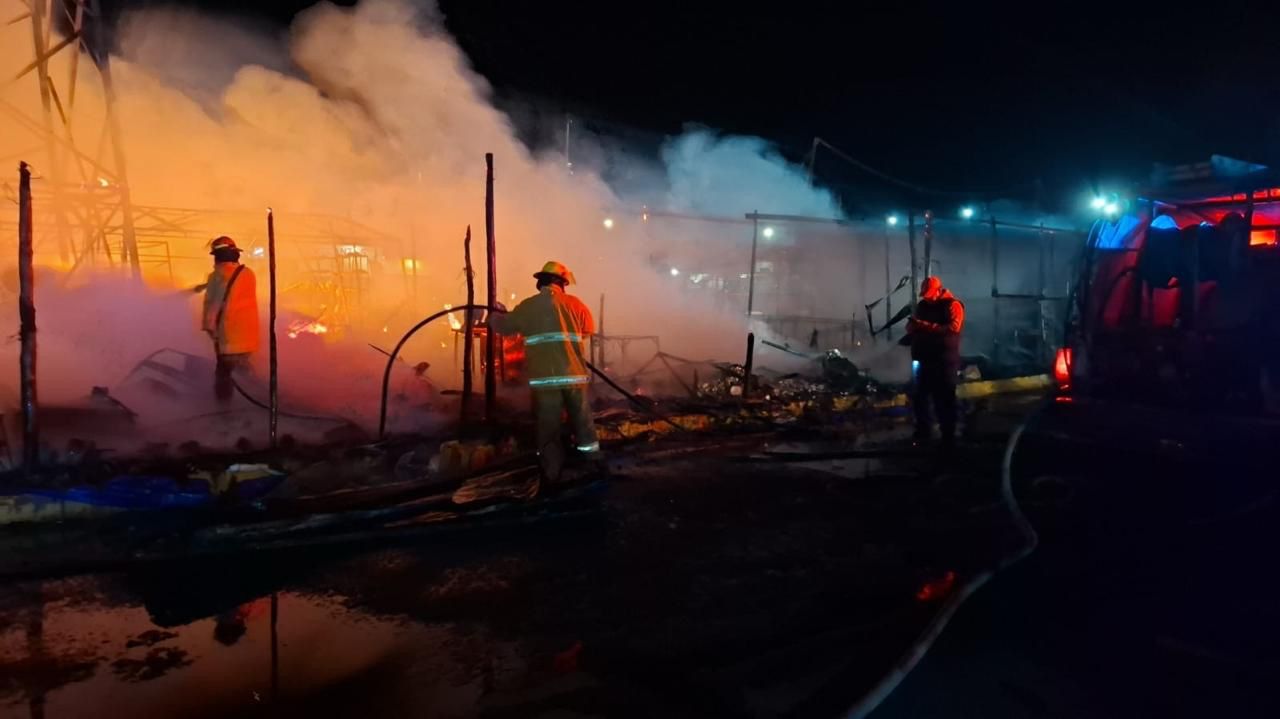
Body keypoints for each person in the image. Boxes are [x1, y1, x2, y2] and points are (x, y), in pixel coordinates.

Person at [489, 261, 600, 482]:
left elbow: (504, 327)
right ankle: (592, 464)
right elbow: (588, 329)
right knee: (583, 422)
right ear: (562, 283)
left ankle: (552, 472)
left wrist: (493, 316)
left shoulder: (528, 306)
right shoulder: (576, 304)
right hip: (574, 376)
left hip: (545, 380)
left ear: (541, 281)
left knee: (548, 428)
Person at [201, 236, 260, 402]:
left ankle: (224, 406)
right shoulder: (248, 274)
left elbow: (215, 305)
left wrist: (209, 327)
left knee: (223, 375)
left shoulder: (217, 277)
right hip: (249, 336)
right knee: (244, 369)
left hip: (228, 337)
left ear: (217, 256)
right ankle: (263, 397)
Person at [907, 276, 964, 444]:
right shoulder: (923, 305)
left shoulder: (953, 305)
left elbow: (954, 328)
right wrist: (912, 328)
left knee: (944, 398)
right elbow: (916, 325)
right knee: (920, 396)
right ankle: (924, 430)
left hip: (944, 360)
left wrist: (924, 326)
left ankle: (948, 435)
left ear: (938, 291)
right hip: (923, 358)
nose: (927, 298)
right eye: (925, 295)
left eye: (929, 295)